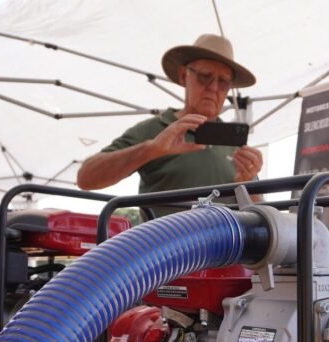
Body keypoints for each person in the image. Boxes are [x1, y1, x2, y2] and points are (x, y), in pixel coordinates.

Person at [76, 34, 263, 215]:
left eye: (223, 82)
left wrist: (247, 185)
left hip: (226, 246)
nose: (213, 88)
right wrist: (151, 149)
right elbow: (86, 178)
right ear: (184, 76)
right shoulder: (156, 129)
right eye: (205, 76)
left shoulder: (236, 145)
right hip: (166, 246)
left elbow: (261, 213)